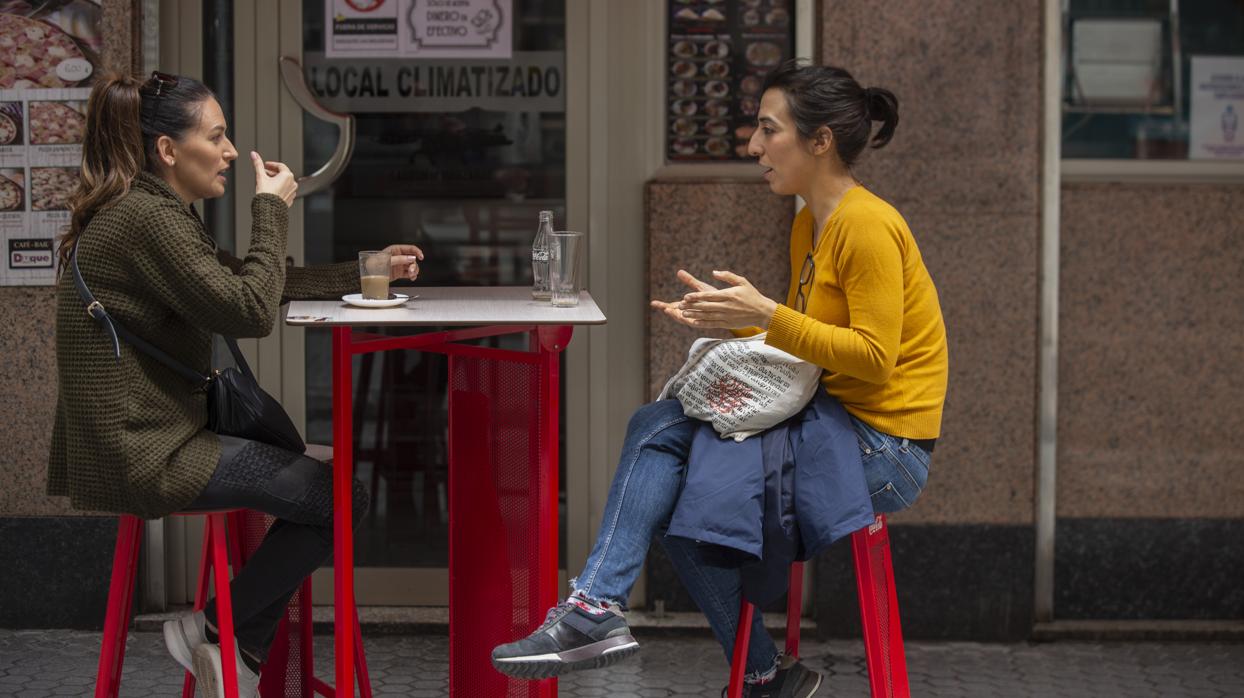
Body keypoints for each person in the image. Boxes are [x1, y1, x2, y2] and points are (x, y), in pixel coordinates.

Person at [491, 60, 948, 697]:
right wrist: (733, 323)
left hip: (882, 447)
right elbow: (808, 347)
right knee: (665, 455)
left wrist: (767, 314)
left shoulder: (866, 225)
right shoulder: (808, 224)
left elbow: (873, 356)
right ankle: (737, 665)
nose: (754, 146)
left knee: (666, 455)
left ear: (819, 141)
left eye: (768, 130)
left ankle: (610, 615)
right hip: (832, 419)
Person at [46, 71, 424, 698]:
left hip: (149, 439)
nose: (228, 152)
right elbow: (249, 309)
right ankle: (218, 632)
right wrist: (270, 207)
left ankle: (227, 642)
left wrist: (369, 270)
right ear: (167, 150)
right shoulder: (147, 218)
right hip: (144, 453)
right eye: (216, 137)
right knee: (340, 498)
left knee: (326, 487)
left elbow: (249, 281)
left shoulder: (152, 210)